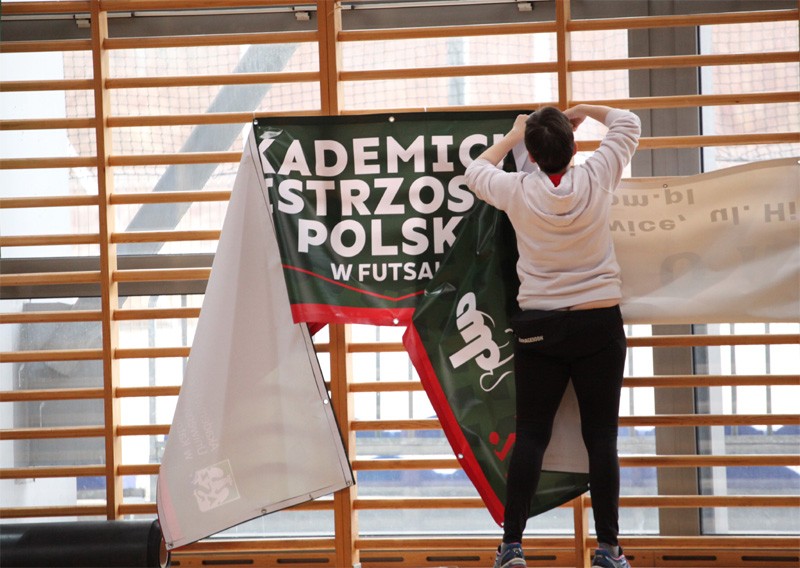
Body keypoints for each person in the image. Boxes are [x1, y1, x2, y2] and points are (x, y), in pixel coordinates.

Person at [464, 104, 641, 568]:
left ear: (533, 156)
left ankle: (512, 547)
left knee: (531, 436)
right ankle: (609, 551)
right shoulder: (599, 174)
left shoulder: (517, 189)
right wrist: (582, 110)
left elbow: (475, 171)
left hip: (539, 329)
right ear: (574, 145)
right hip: (599, 324)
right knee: (601, 439)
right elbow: (628, 122)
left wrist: (513, 135)